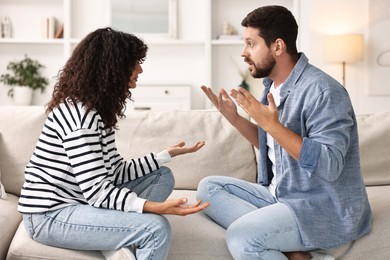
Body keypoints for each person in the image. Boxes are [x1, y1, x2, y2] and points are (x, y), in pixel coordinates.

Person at [197, 5, 371, 260]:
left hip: (320, 207)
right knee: (208, 188)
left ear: (277, 47)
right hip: (281, 195)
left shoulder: (324, 92)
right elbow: (275, 145)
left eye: (250, 43)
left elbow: (330, 165)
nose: (244, 53)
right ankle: (296, 252)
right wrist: (235, 119)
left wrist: (272, 126)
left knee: (241, 236)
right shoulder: (272, 87)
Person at [18, 27, 209, 260]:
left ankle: (112, 235)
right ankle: (116, 236)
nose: (140, 69)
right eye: (134, 62)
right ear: (113, 68)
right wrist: (153, 208)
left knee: (162, 175)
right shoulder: (82, 118)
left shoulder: (98, 110)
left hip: (81, 201)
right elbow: (98, 191)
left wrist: (163, 156)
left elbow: (115, 172)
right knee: (155, 229)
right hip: (50, 215)